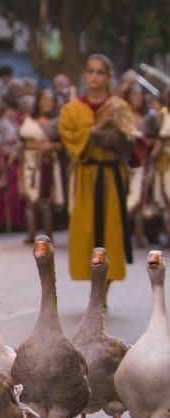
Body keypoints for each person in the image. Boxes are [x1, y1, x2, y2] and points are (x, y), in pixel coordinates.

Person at [59, 53, 139, 294]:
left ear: (108, 77)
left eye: (100, 72)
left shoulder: (119, 107)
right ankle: (95, 287)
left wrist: (104, 135)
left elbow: (128, 142)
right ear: (85, 75)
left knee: (111, 232)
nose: (94, 76)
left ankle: (105, 288)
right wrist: (92, 132)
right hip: (86, 175)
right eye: (90, 71)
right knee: (86, 231)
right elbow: (70, 139)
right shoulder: (73, 109)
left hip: (111, 177)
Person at [19, 89, 65, 241]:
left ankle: (48, 234)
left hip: (47, 162)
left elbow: (63, 144)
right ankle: (31, 232)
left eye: (50, 100)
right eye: (44, 100)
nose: (47, 103)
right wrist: (30, 146)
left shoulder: (58, 122)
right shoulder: (29, 120)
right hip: (30, 162)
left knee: (46, 199)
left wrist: (51, 146)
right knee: (30, 200)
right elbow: (22, 142)